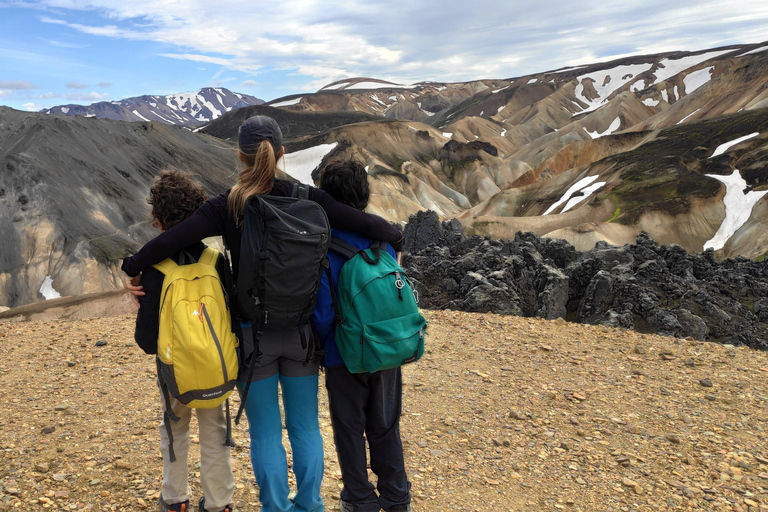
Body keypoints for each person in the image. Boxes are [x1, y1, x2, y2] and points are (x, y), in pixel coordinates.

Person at [122, 115, 404, 512]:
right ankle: (310, 505)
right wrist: (395, 234)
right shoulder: (308, 197)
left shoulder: (229, 204)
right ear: (282, 152)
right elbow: (361, 221)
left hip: (252, 336)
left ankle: (275, 506)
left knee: (266, 433)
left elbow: (172, 239)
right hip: (301, 333)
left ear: (239, 155)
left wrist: (132, 264)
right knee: (305, 428)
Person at [312, 158, 413, 512]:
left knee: (349, 430)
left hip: (344, 357)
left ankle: (359, 499)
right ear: (363, 196)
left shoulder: (324, 246)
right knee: (386, 427)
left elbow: (324, 314)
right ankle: (397, 497)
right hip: (386, 351)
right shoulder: (381, 240)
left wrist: (323, 349)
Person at [133, 169, 235, 512]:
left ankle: (175, 499)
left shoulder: (154, 269)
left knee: (174, 428)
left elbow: (146, 340)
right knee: (216, 432)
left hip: (174, 370)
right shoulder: (216, 261)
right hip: (215, 366)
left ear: (158, 220)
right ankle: (219, 503)